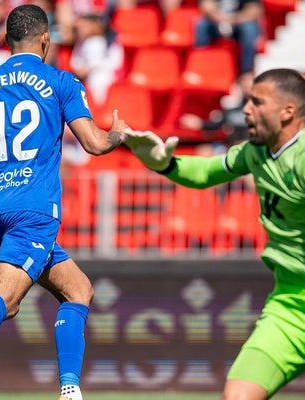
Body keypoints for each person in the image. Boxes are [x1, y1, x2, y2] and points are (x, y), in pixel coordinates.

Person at [0, 4, 130, 400]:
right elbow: (95, 144)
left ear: (6, 41)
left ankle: (70, 392)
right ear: (46, 39)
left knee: (79, 291)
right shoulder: (61, 82)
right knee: (6, 299)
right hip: (35, 211)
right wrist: (118, 134)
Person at [124, 68, 305, 400]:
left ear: (287, 112)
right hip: (290, 309)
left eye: (257, 102)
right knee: (236, 396)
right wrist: (163, 164)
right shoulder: (256, 151)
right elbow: (207, 172)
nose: (246, 108)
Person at [195, 0, 263, 75]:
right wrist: (221, 18)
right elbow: (206, 5)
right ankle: (200, 65)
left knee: (249, 28)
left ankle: (246, 71)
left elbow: (253, 10)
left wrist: (233, 20)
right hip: (216, 22)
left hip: (239, 24)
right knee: (202, 25)